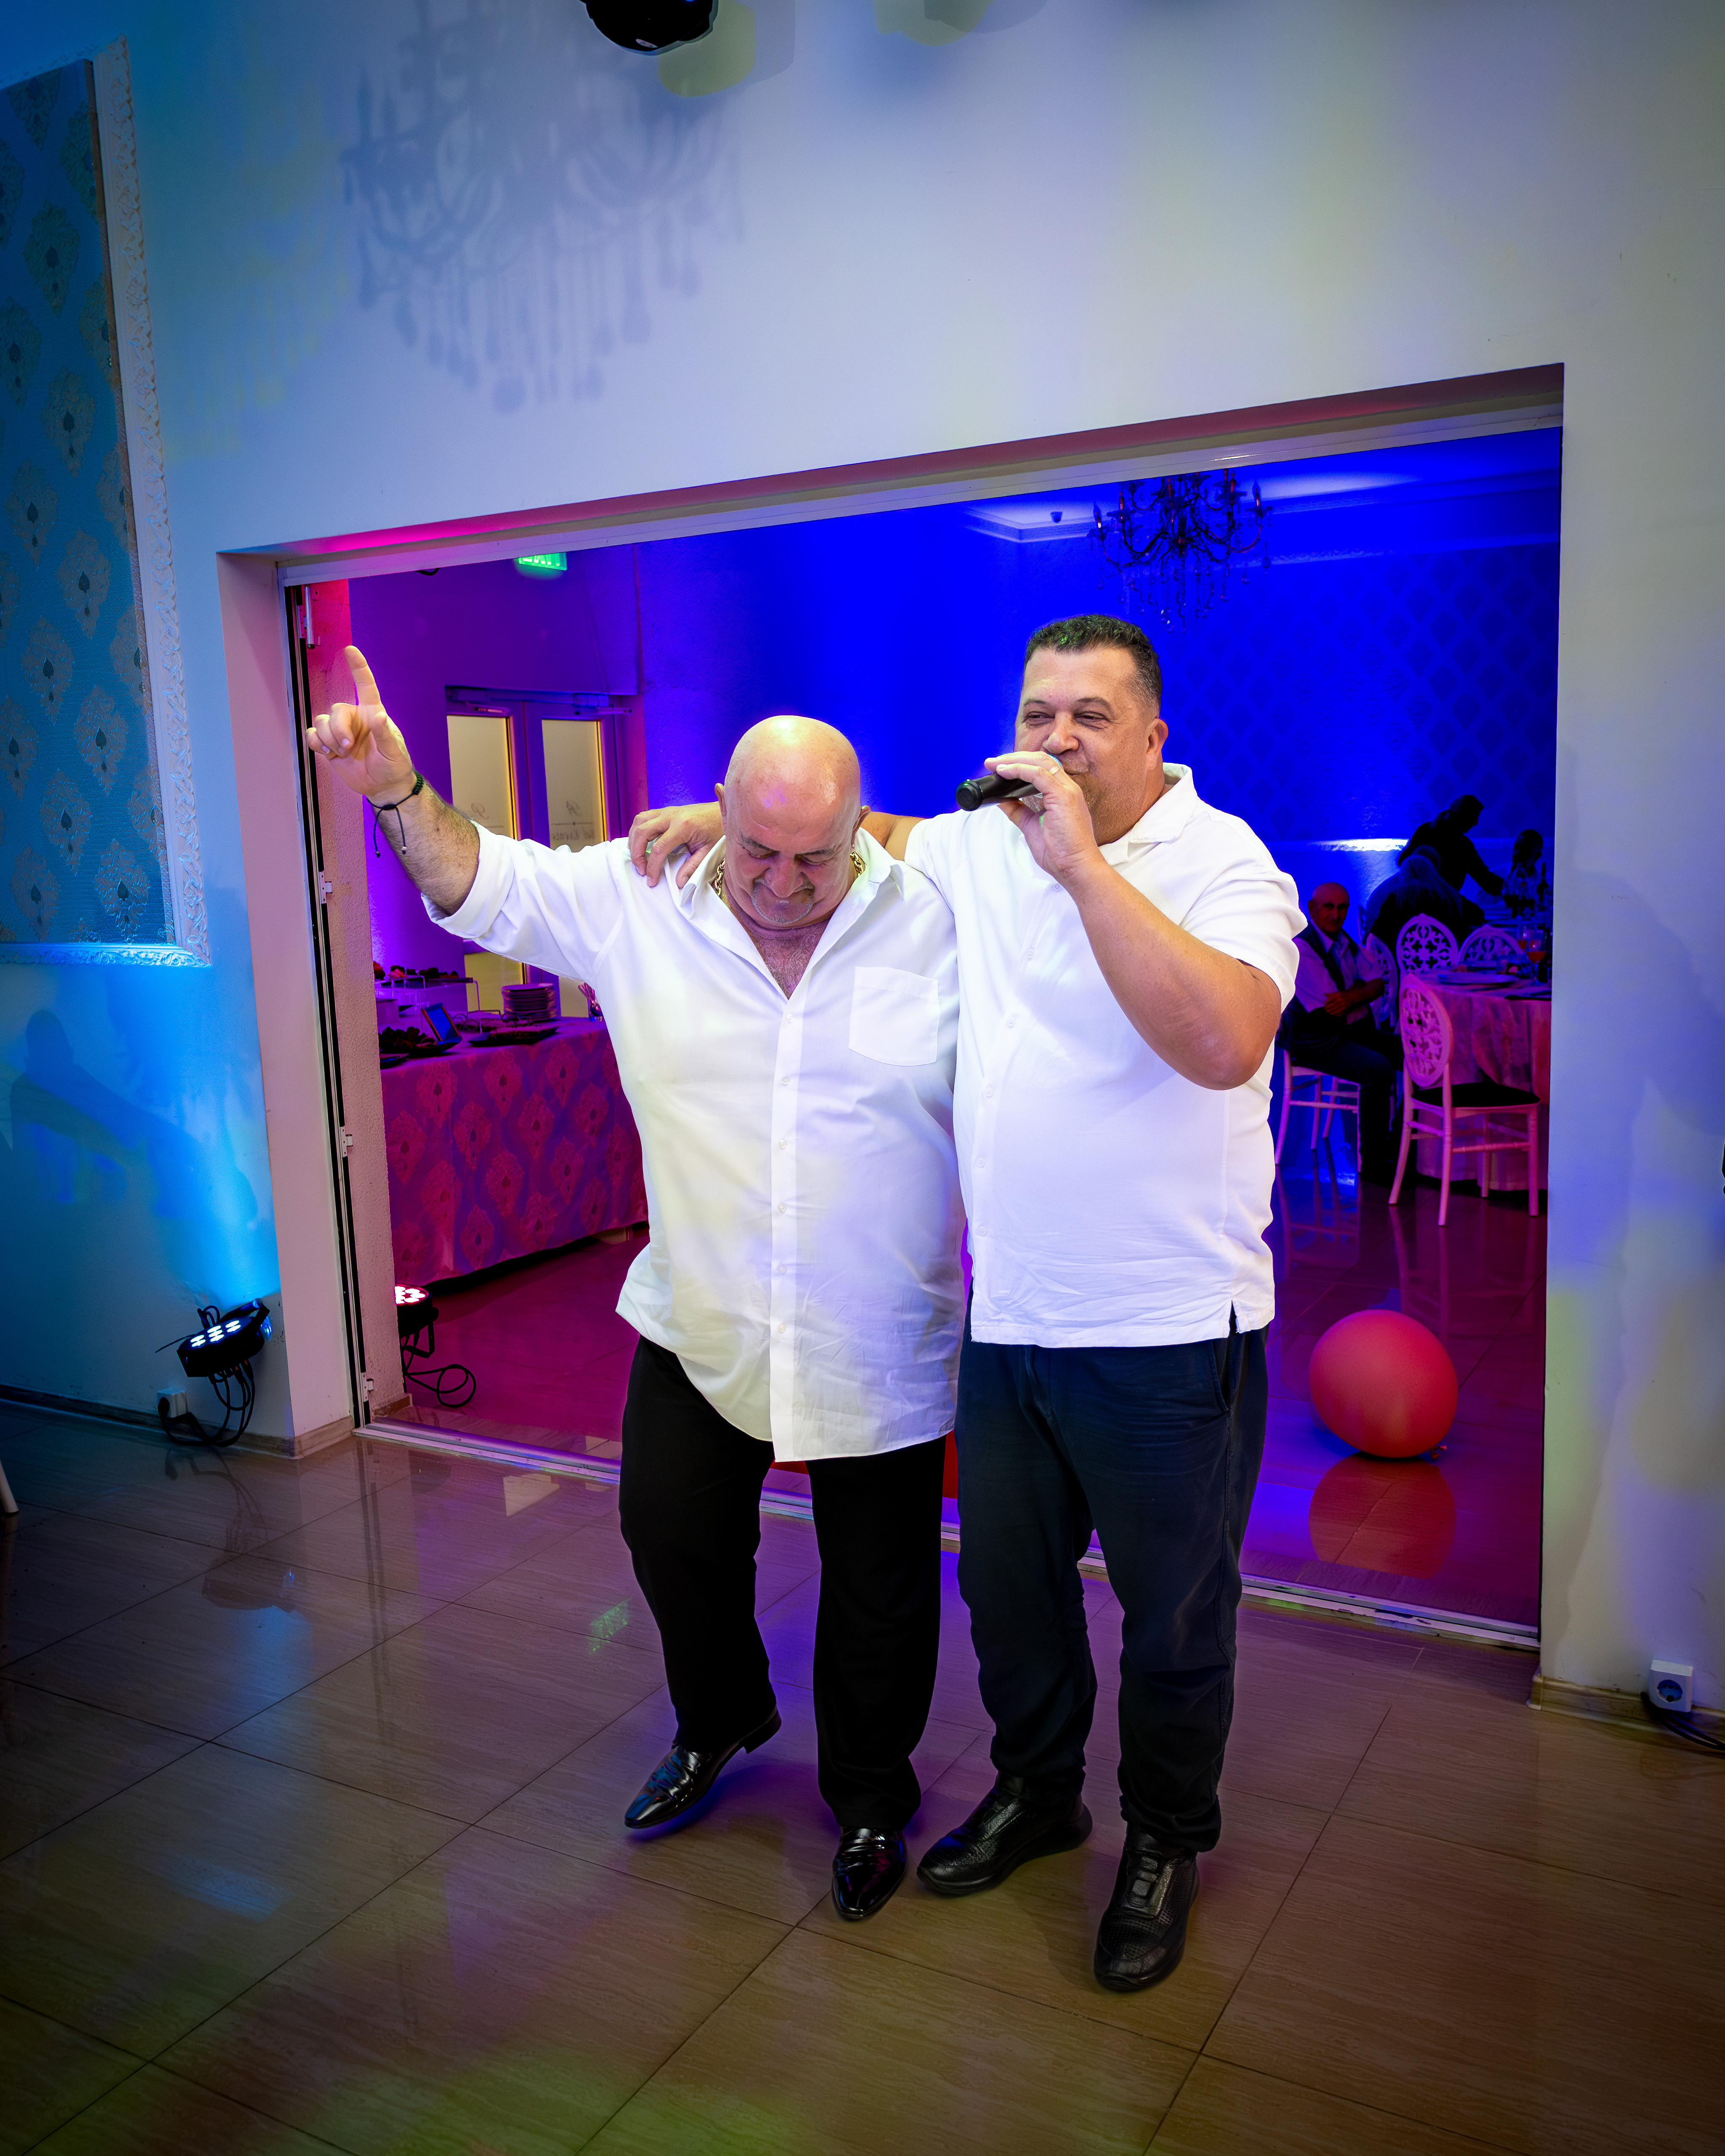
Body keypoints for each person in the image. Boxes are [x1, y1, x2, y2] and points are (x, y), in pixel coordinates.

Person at [630, 614, 1301, 1995]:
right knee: (1009, 1600)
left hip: (1172, 1329)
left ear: (1153, 735)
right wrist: (721, 819)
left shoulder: (1225, 862)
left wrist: (1081, 866)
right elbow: (868, 828)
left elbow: (1224, 1039)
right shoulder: (983, 843)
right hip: (1011, 1323)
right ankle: (1040, 1793)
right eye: (1037, 713)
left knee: (1174, 1621)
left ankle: (1164, 1840)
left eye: (1090, 716)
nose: (1057, 739)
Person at [307, 648, 965, 1925]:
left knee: (880, 1585)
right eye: (758, 848)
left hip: (881, 1320)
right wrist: (394, 786)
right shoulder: (640, 893)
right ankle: (720, 1720)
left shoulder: (936, 910)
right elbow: (473, 879)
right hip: (701, 1312)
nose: (784, 885)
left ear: (861, 832)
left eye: (814, 857)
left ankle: (871, 1798)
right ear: (719, 811)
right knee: (668, 1530)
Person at [1284, 882, 1402, 1183]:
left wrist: (1353, 996)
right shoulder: (1302, 949)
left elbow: (1378, 983)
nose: (1336, 915)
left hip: (1349, 1031)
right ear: (1312, 909)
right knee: (1377, 1068)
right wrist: (1362, 991)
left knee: (1412, 1055)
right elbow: (1330, 1007)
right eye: (1328, 907)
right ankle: (1374, 1161)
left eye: (1342, 908)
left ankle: (1403, 1146)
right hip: (1316, 1040)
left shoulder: (1342, 941)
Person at [1363, 843, 1480, 949]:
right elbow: (1477, 915)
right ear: (1433, 870)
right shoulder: (1445, 895)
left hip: (1401, 961)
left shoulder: (1395, 896)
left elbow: (1376, 935)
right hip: (1445, 960)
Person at [1399, 793, 1502, 901]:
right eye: (1474, 817)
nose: (1476, 823)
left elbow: (1402, 860)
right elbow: (1486, 880)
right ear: (1461, 818)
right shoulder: (1462, 845)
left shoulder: (1424, 830)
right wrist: (1509, 888)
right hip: (1443, 902)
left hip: (1412, 899)